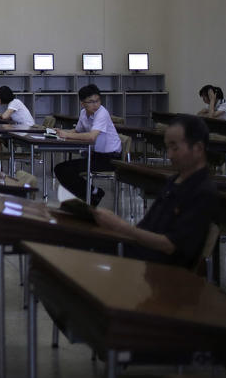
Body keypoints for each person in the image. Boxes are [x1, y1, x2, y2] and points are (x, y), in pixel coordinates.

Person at [93, 115, 217, 268]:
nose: (169, 155)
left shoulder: (202, 191)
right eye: (167, 148)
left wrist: (121, 227)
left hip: (161, 269)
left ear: (198, 148)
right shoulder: (174, 181)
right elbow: (146, 227)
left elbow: (170, 245)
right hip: (139, 252)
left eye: (175, 148)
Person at [53, 84, 121, 206]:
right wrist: (58, 132)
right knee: (60, 169)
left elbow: (91, 136)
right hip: (95, 155)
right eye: (90, 102)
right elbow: (77, 131)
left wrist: (66, 135)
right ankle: (93, 193)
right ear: (82, 103)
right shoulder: (84, 113)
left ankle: (90, 198)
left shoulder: (102, 113)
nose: (95, 104)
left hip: (111, 158)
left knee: (65, 170)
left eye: (97, 100)